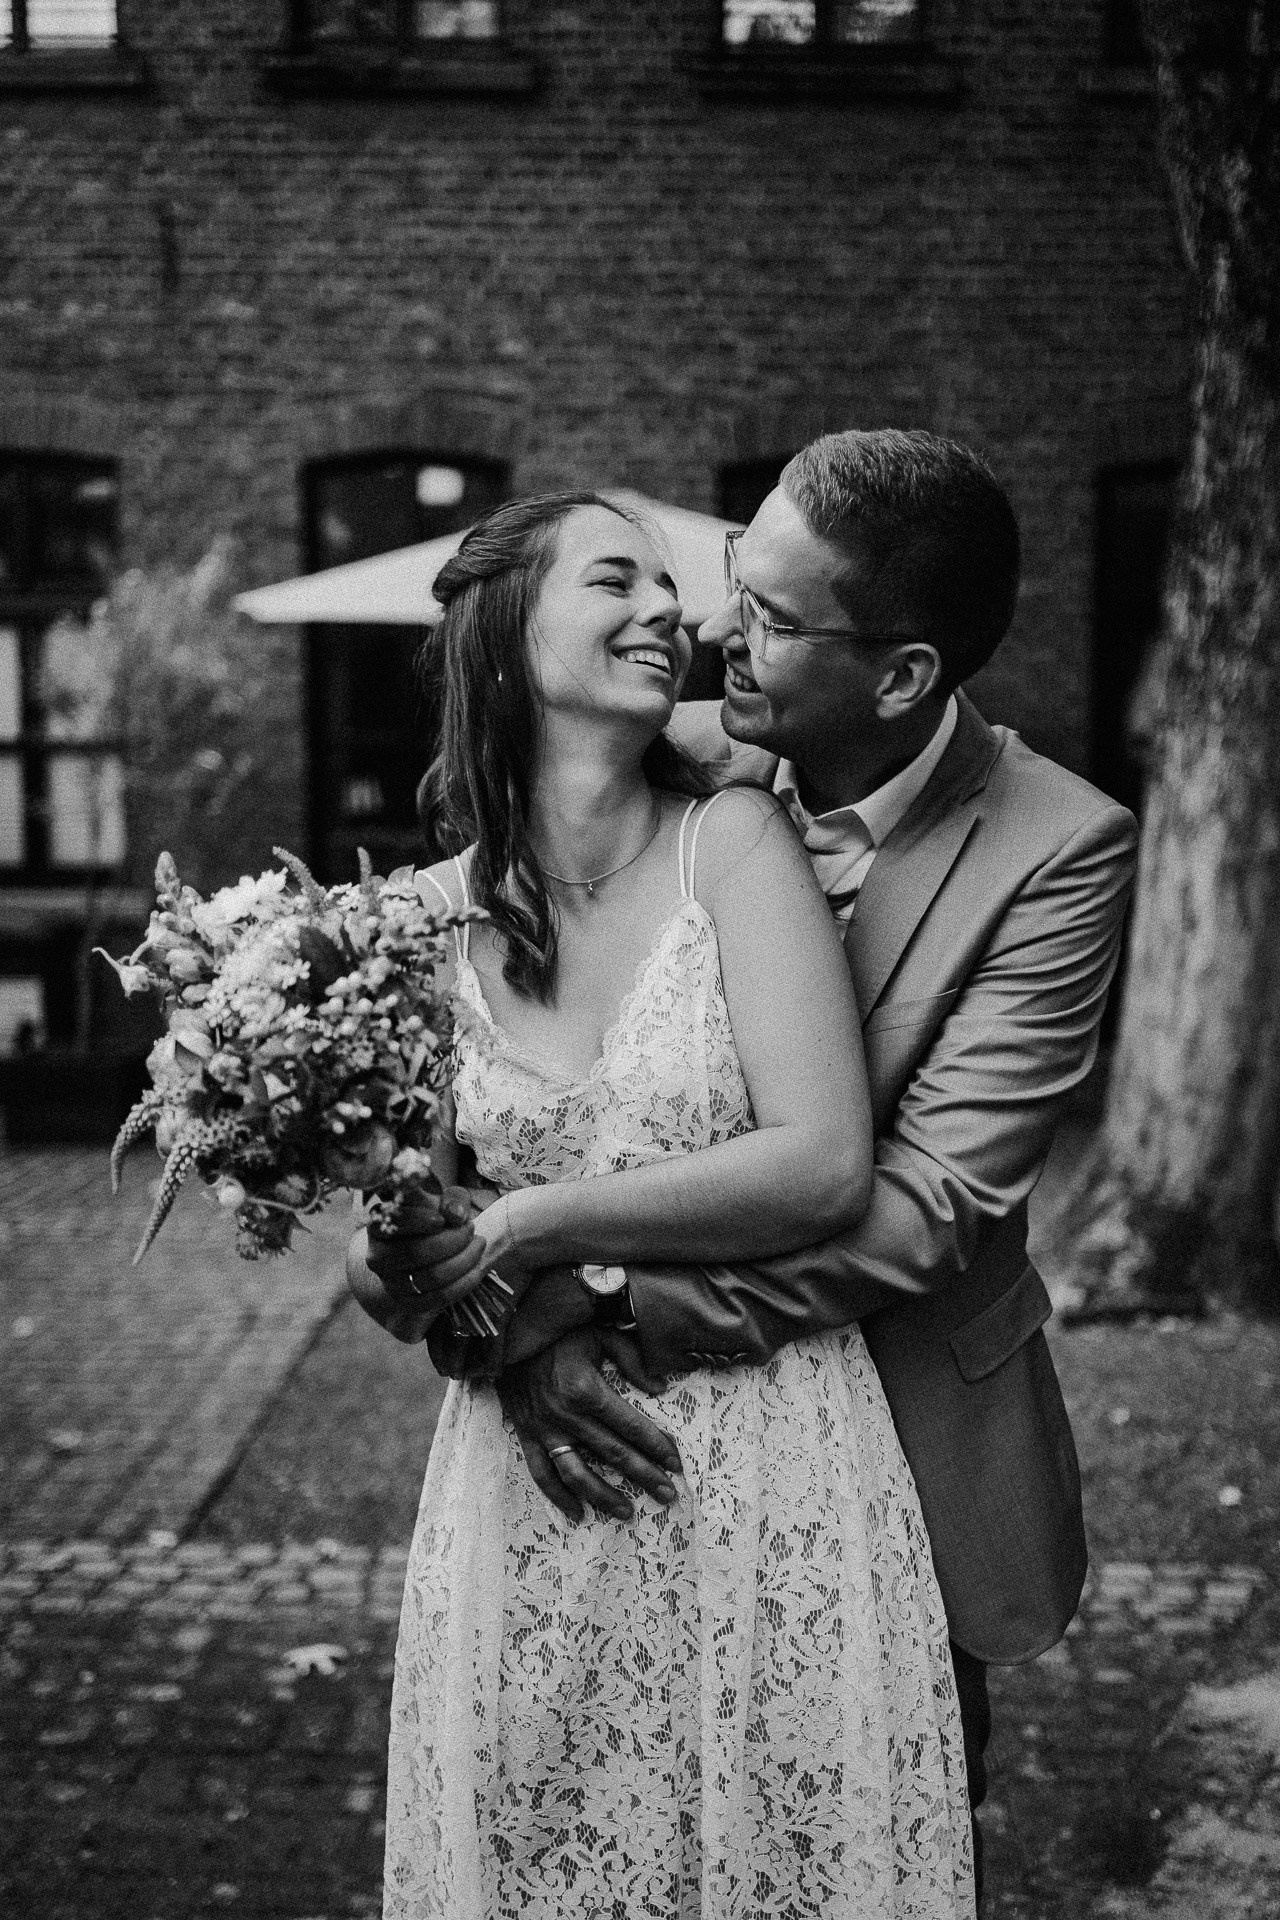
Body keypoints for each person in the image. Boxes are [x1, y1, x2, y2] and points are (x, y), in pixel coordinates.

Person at [363, 431, 1139, 1907]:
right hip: (583, 1476)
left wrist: (596, 1301)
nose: (714, 625)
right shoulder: (674, 758)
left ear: (901, 677)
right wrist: (489, 1309)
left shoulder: (1057, 849)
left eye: (772, 617)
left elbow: (921, 1209)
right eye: (733, 579)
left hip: (879, 1441)